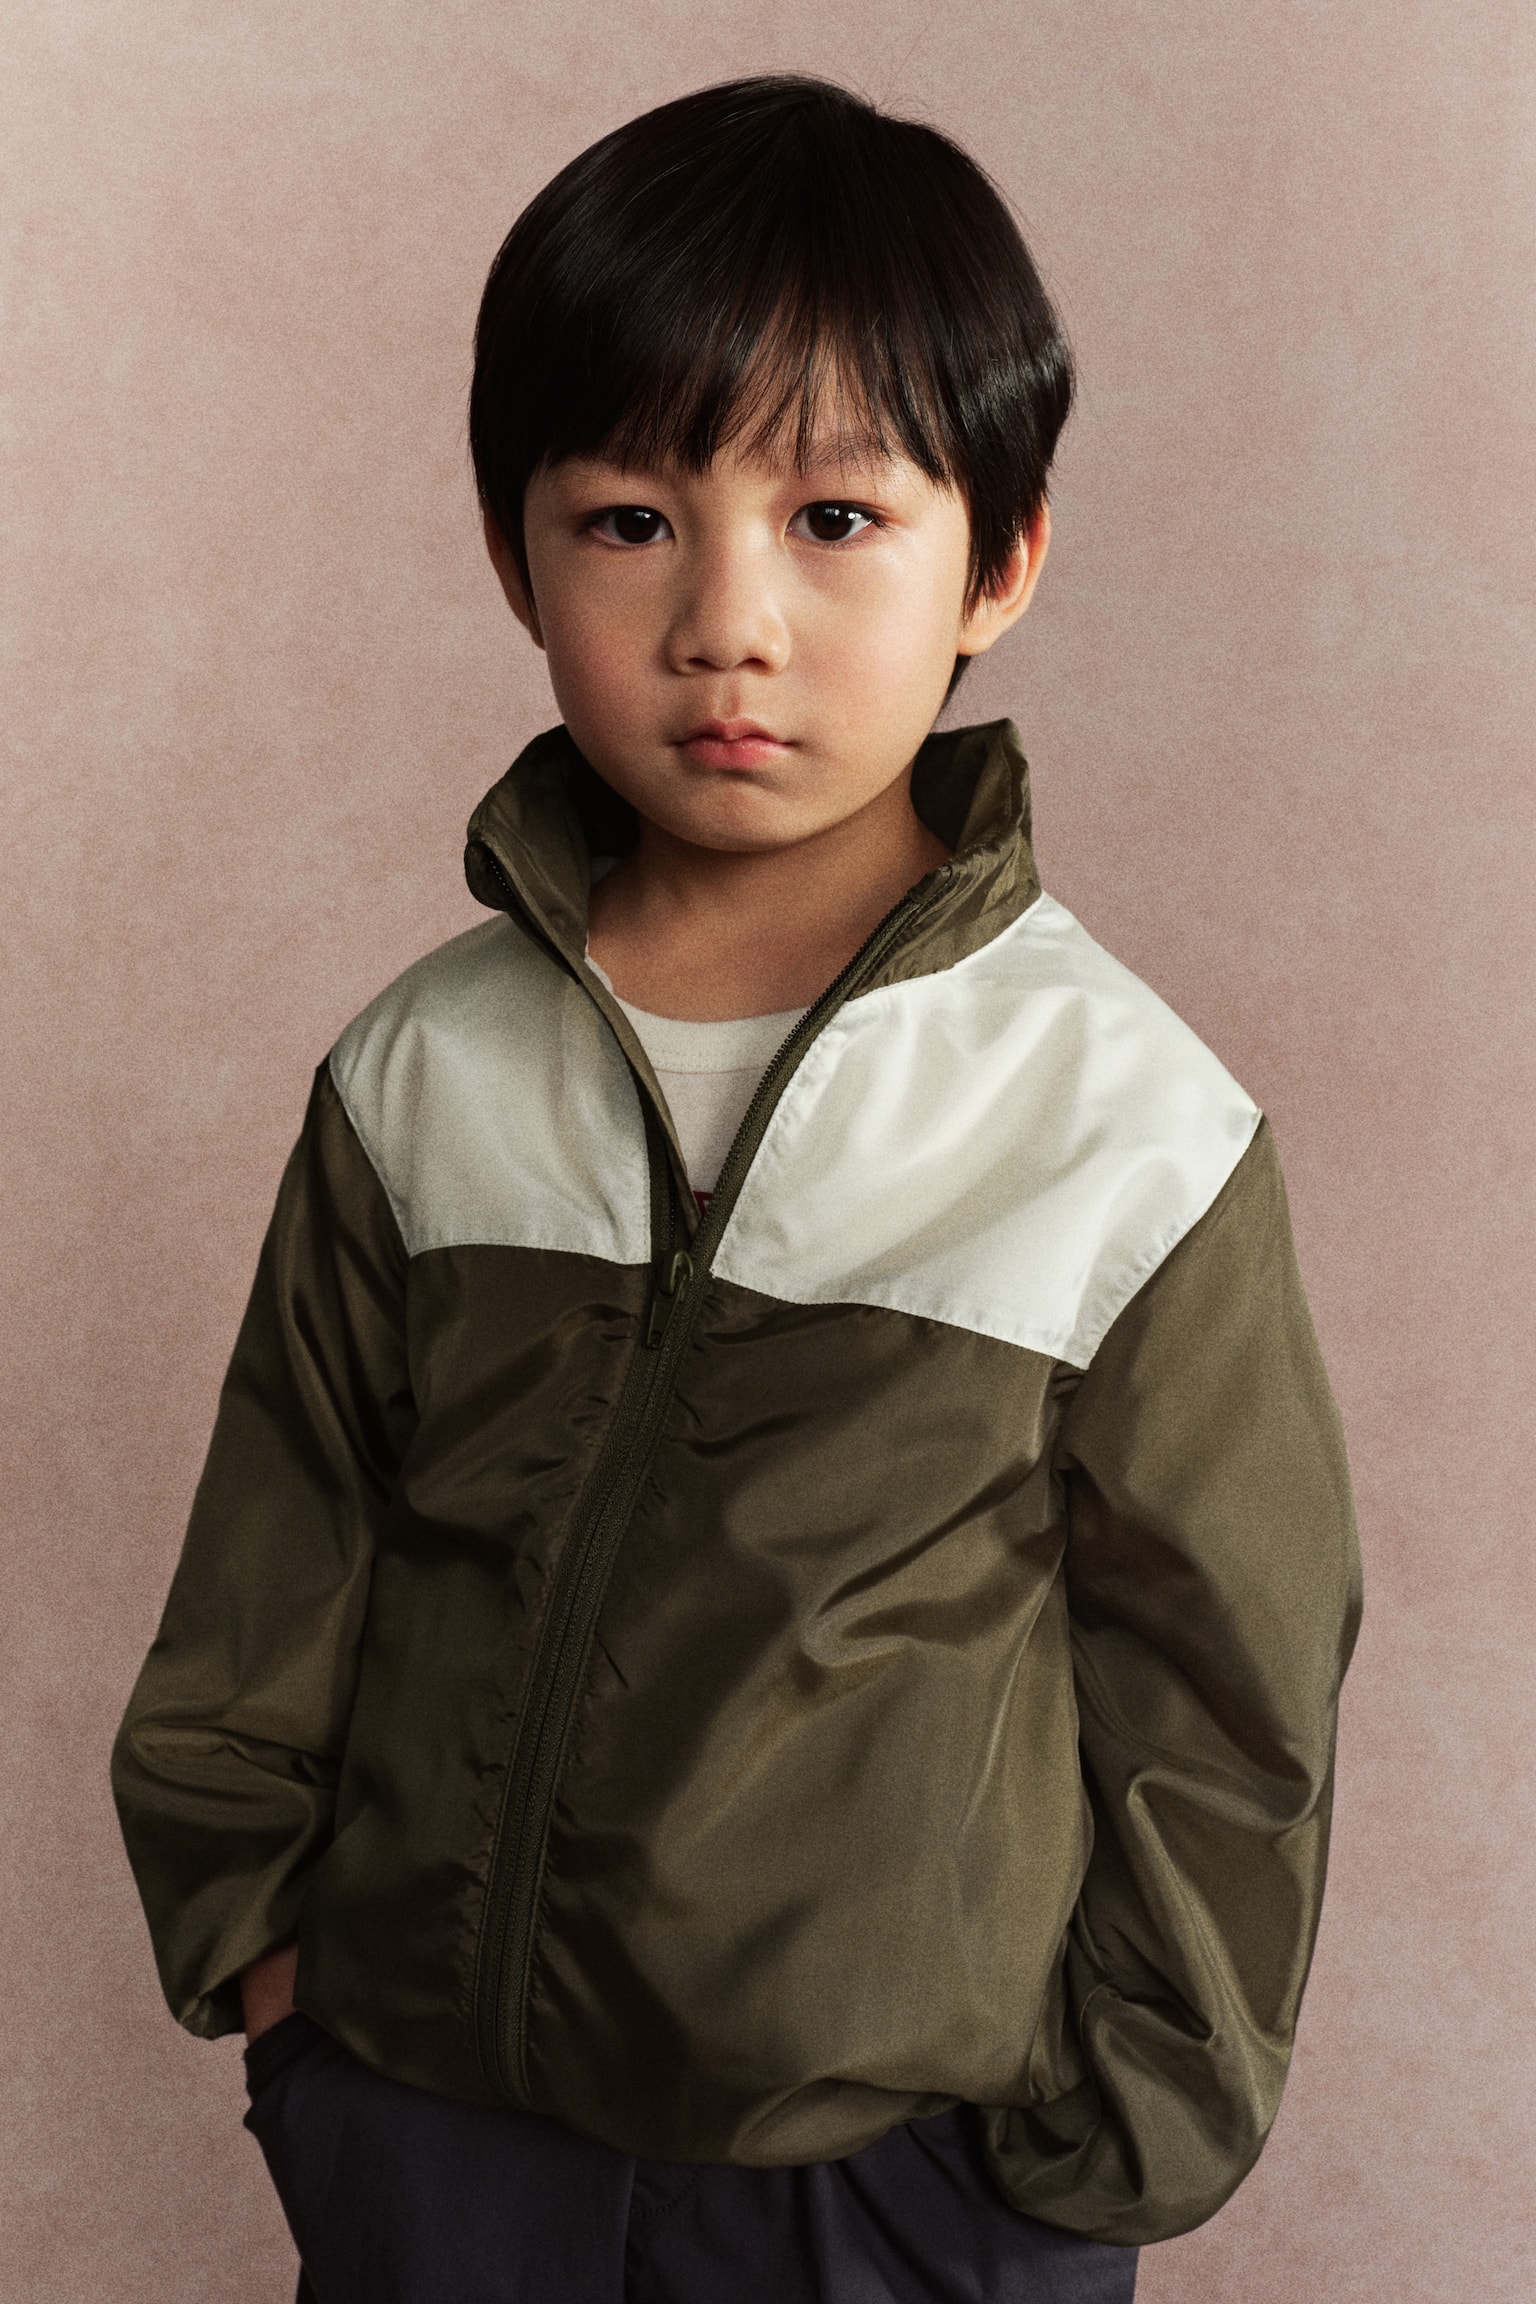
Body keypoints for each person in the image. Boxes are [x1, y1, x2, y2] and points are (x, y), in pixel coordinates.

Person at [111, 73, 1362, 2304]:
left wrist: (1085, 2160)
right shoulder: (422, 1075)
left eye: (836, 517)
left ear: (1002, 555)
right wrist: (281, 1984)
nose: (728, 620)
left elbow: (1226, 1697)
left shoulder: (1126, 1131)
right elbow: (279, 1556)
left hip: (892, 2197)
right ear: (511, 550)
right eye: (629, 519)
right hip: (430, 2143)